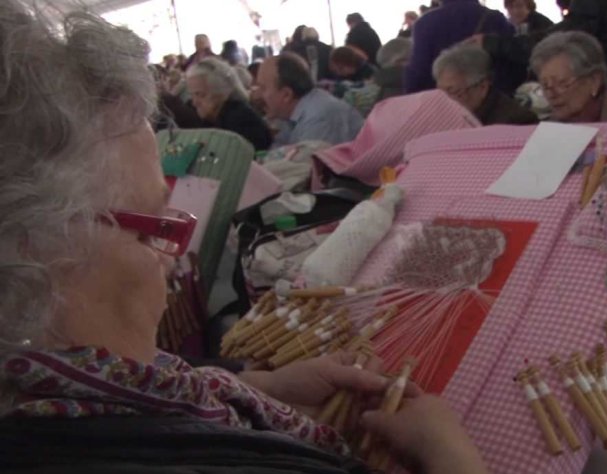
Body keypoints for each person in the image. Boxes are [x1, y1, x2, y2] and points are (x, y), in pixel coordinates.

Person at [0, 4, 491, 474]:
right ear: (33, 254)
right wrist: (450, 460)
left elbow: (171, 377)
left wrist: (261, 385)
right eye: (153, 228)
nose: (174, 259)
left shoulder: (75, 384)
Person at [530, 31, 607, 122]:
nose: (551, 94)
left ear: (594, 81)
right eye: (545, 86)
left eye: (561, 83)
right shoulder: (545, 132)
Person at [404, 0, 515, 94]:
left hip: (443, 102)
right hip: (486, 98)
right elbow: (509, 68)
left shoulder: (426, 23)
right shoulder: (496, 19)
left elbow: (418, 74)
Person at [256, 53, 364, 147]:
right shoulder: (290, 116)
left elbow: (307, 163)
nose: (257, 95)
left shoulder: (320, 118)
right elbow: (276, 152)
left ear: (286, 95)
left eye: (263, 88)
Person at [434, 44, 538, 125]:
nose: (443, 101)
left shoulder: (516, 121)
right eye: (440, 93)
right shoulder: (443, 119)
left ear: (482, 87)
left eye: (453, 91)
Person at [187, 57, 272, 151]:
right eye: (192, 95)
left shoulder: (240, 120)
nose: (194, 103)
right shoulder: (210, 119)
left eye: (200, 95)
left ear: (222, 92)